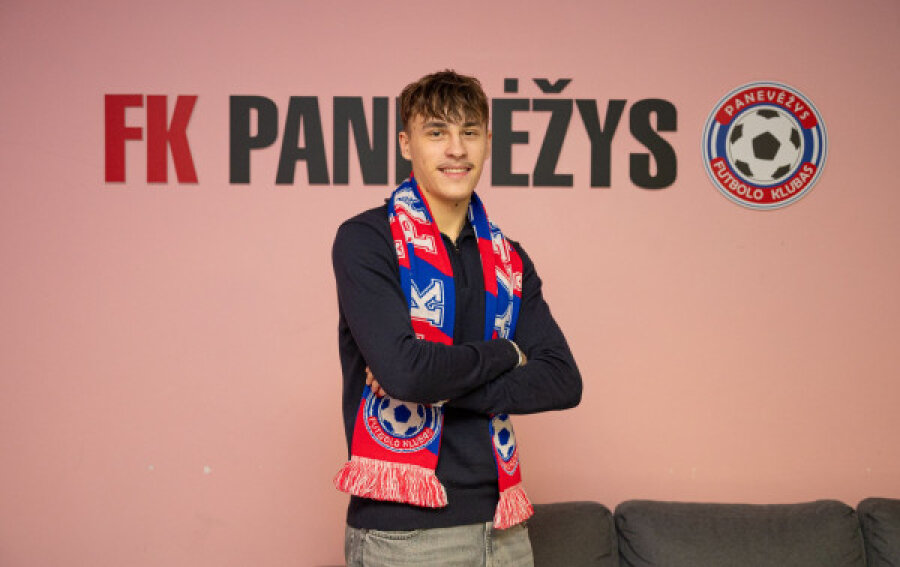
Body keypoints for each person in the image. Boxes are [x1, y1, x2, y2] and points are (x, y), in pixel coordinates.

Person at [332, 70, 582, 566]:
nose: (456, 149)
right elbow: (406, 373)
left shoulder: (509, 260)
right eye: (436, 132)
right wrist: (506, 353)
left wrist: (440, 384)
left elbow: (562, 380)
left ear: (487, 143)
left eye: (469, 132)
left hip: (505, 528)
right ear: (406, 144)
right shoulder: (367, 241)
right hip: (406, 536)